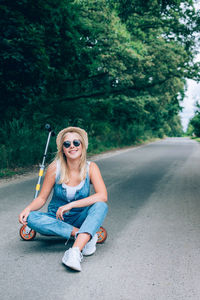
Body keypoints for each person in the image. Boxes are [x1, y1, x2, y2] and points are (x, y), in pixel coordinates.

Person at [19, 126, 108, 272]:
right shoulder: (55, 168)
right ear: (63, 149)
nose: (72, 146)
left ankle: (74, 252)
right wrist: (27, 209)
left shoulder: (91, 168)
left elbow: (102, 195)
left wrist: (71, 205)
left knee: (101, 205)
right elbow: (41, 199)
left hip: (80, 216)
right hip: (56, 219)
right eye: (67, 144)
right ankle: (83, 234)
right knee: (31, 218)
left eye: (76, 142)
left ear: (82, 146)